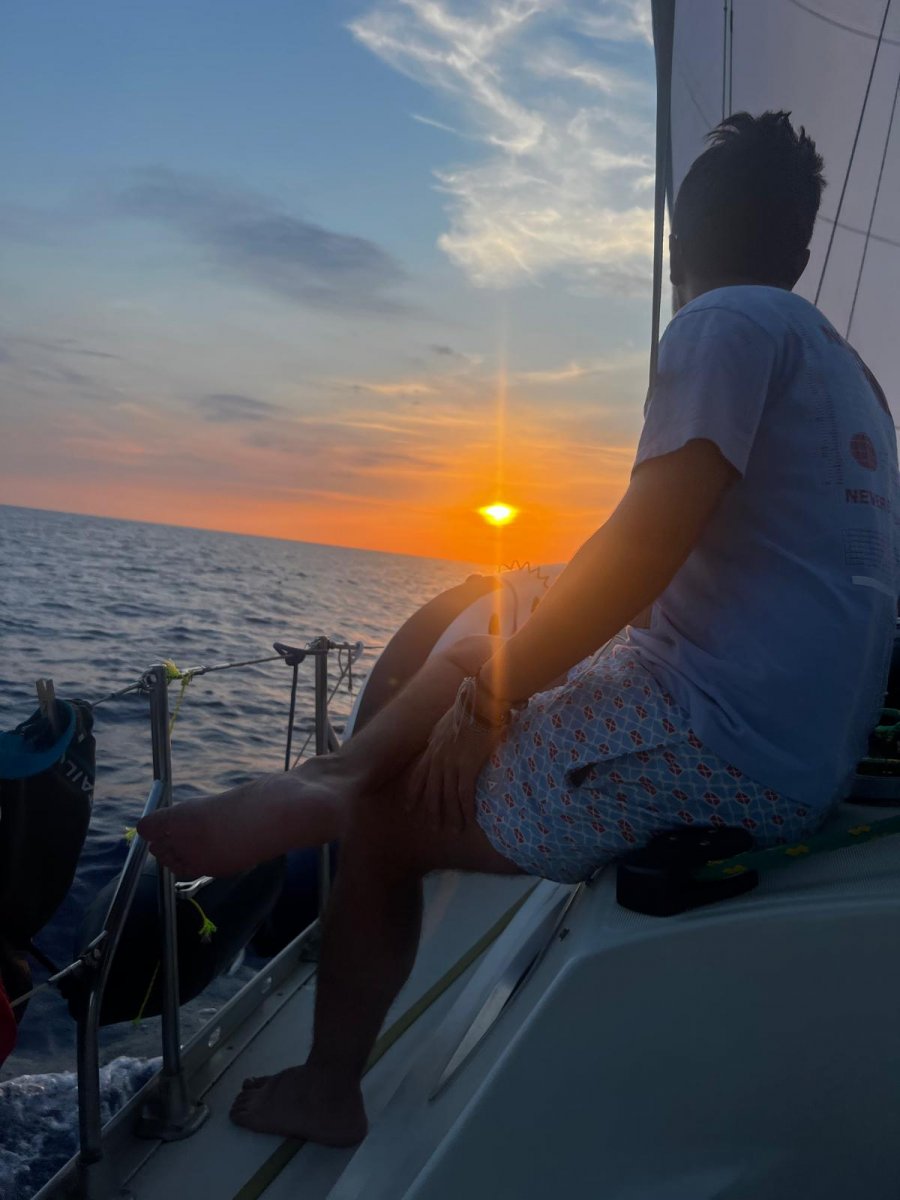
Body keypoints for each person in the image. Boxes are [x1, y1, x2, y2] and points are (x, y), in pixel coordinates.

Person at [138, 111, 899, 1146]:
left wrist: (492, 700)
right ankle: (337, 773)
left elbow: (641, 553)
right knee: (504, 615)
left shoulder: (721, 327)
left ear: (680, 240)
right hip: (792, 727)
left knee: (387, 828)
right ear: (804, 250)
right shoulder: (855, 379)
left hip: (727, 748)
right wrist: (501, 666)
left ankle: (330, 1054)